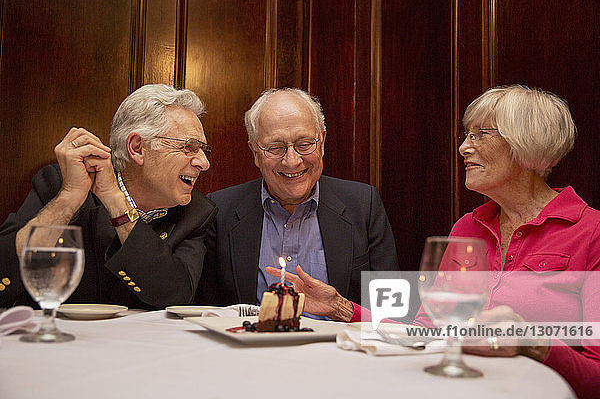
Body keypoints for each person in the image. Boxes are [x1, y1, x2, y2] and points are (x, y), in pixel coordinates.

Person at [266, 85, 600, 398]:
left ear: (527, 143)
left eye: (481, 135)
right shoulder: (468, 228)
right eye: (466, 135)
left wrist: (535, 342)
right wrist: (339, 307)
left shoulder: (591, 232)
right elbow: (427, 335)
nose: (464, 147)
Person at [0, 84, 217, 310]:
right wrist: (69, 198)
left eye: (203, 150)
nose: (204, 163)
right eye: (190, 147)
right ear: (137, 148)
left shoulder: (196, 213)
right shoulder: (59, 183)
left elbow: (173, 296)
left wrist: (116, 202)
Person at [196, 88, 399, 317]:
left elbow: (392, 311)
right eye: (275, 148)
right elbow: (205, 313)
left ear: (321, 141)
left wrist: (341, 308)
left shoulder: (363, 205)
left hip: (338, 350)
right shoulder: (220, 210)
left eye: (304, 144)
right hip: (251, 350)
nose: (292, 161)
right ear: (255, 151)